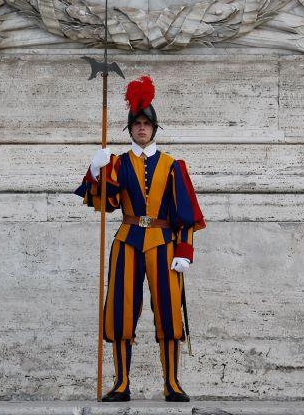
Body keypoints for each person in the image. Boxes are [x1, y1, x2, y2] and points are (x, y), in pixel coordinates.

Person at [75, 75, 206, 402]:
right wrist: (95, 170)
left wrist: (185, 250)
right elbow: (106, 203)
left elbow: (185, 213)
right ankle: (121, 383)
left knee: (169, 311)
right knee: (120, 309)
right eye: (137, 123)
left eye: (147, 123)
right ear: (130, 128)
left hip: (163, 242)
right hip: (127, 240)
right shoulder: (117, 164)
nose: (142, 128)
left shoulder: (173, 165)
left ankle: (172, 383)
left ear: (154, 127)